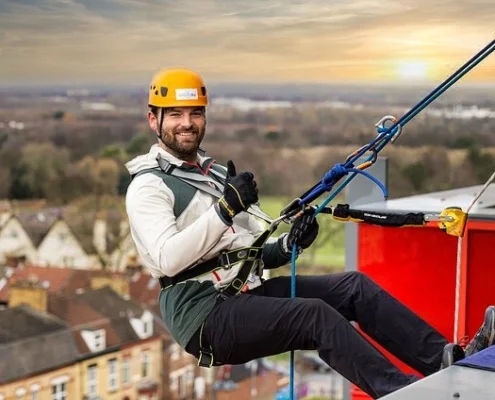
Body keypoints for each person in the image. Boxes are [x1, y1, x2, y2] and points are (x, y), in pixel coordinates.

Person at [124, 67, 493, 399]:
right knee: (313, 315)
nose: (186, 123)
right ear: (154, 121)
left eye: (195, 113)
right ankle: (406, 393)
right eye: (175, 114)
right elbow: (166, 258)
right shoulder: (149, 186)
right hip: (204, 318)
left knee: (354, 287)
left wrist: (290, 244)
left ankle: (447, 361)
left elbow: (252, 250)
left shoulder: (216, 175)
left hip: (243, 294)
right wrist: (224, 210)